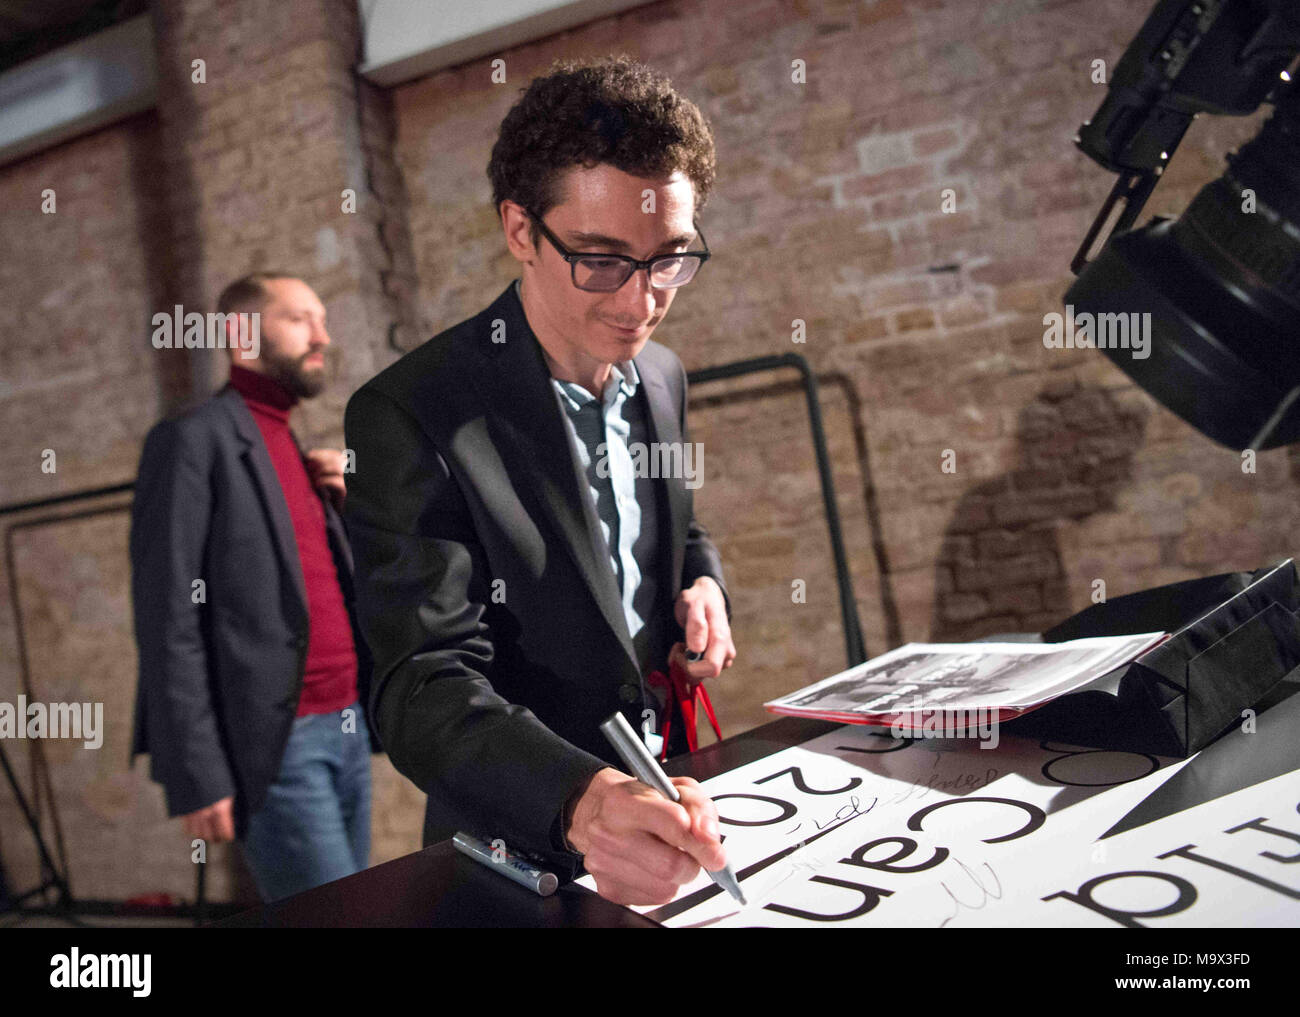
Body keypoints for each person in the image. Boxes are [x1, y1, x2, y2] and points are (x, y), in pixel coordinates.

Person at [343, 56, 737, 906]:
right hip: (520, 841)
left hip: (664, 796)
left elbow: (669, 525)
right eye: (601, 260)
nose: (642, 302)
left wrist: (702, 579)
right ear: (520, 230)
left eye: (670, 259)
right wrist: (581, 801)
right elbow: (421, 682)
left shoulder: (662, 374)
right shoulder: (411, 411)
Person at [129, 273, 379, 902]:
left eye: (321, 319)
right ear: (241, 335)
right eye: (300, 320)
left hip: (347, 722)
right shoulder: (190, 440)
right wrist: (197, 774)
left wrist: (350, 503)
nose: (322, 336)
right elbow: (167, 618)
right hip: (280, 740)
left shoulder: (294, 446)